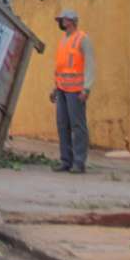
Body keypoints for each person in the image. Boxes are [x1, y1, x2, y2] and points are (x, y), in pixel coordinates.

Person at [50, 9, 94, 174]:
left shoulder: (83, 39)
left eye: (63, 20)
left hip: (76, 90)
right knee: (62, 125)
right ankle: (66, 160)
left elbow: (90, 64)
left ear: (71, 21)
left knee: (78, 126)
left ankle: (79, 162)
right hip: (62, 88)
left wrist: (86, 88)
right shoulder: (63, 40)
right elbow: (61, 66)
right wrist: (55, 87)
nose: (61, 23)